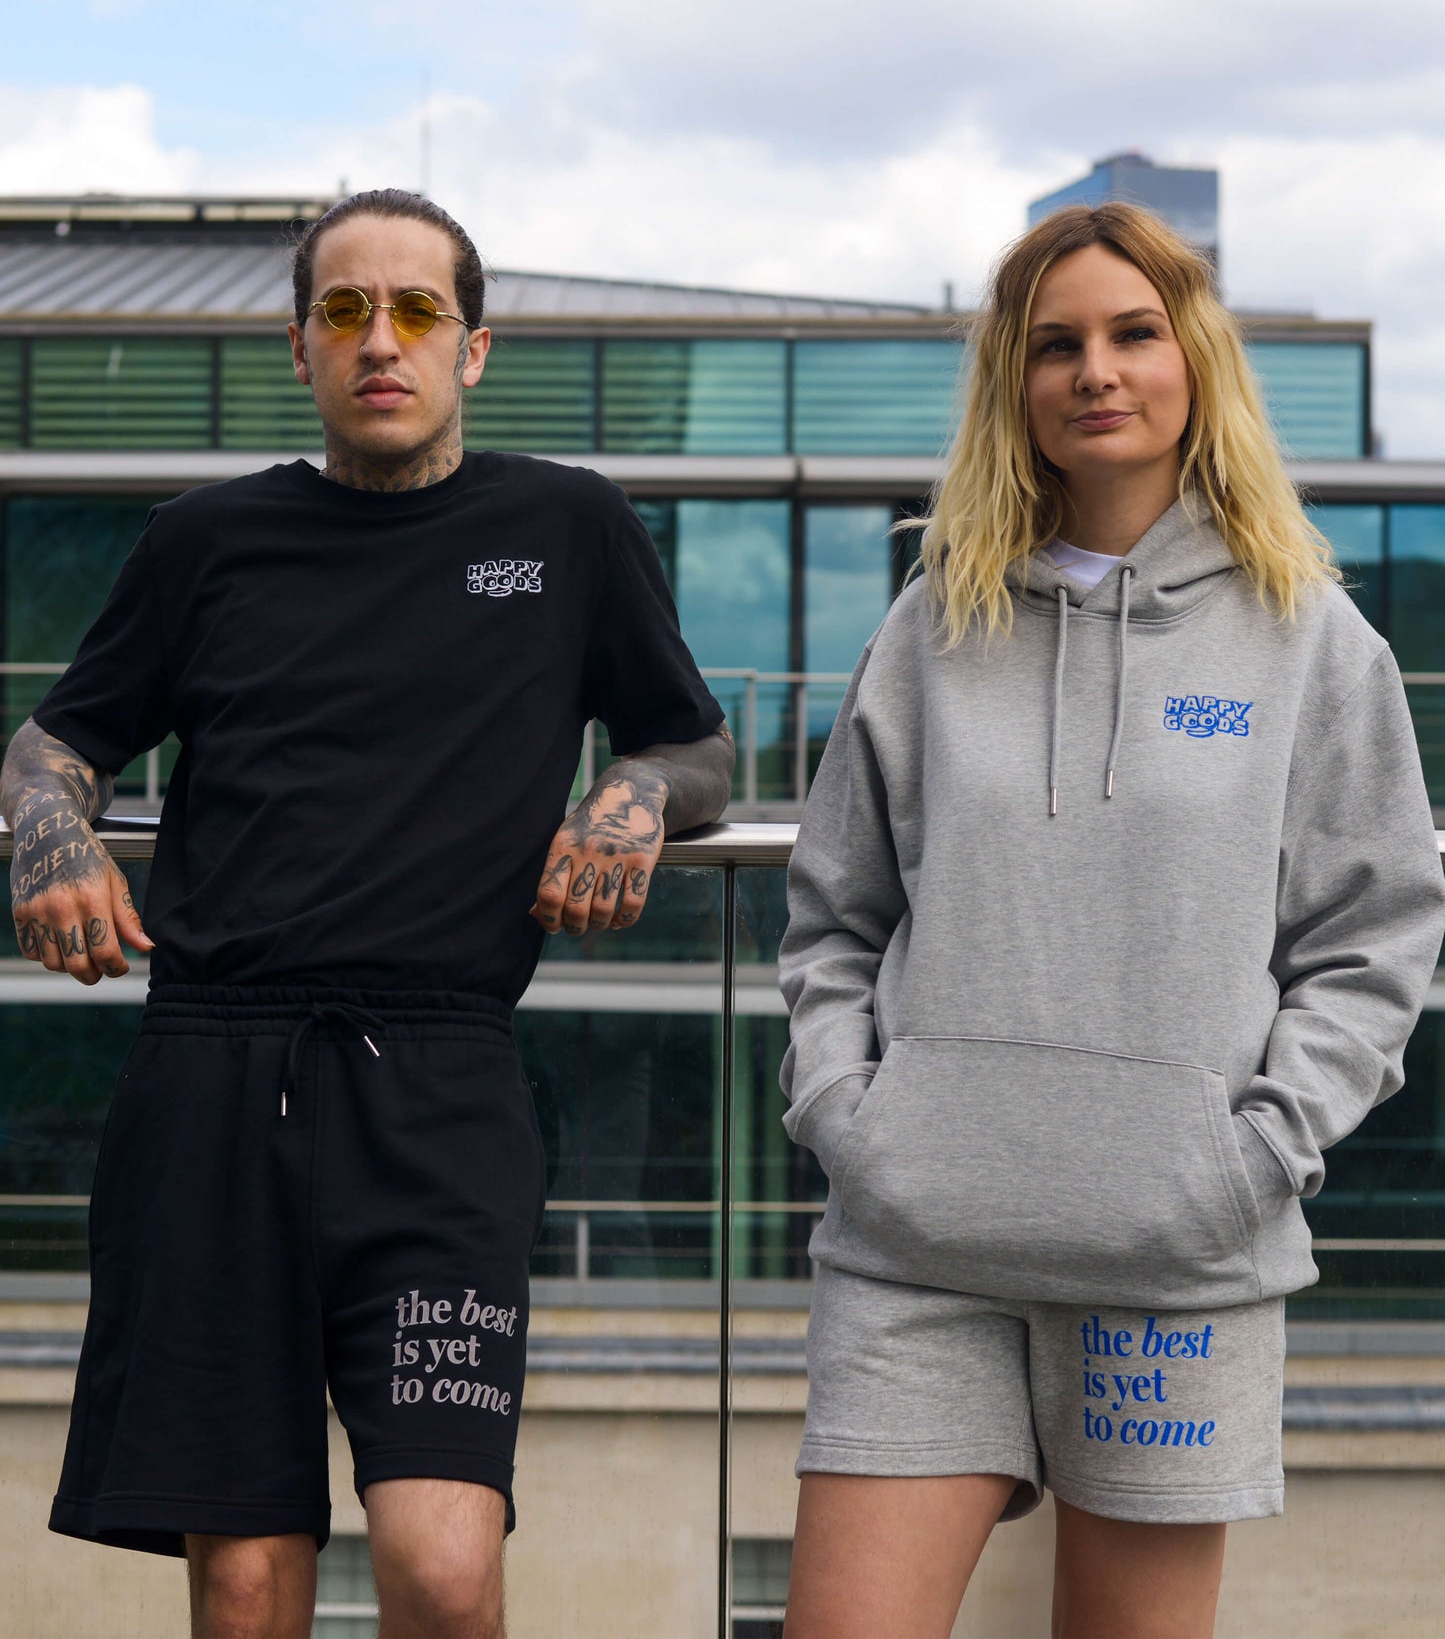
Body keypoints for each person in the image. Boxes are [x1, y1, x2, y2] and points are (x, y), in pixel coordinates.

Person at [2, 188, 733, 1639]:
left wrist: (631, 799)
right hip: (212, 1078)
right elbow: (54, 741)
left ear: (471, 349)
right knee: (247, 1580)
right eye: (344, 311)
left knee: (443, 1565)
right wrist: (54, 836)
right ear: (298, 348)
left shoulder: (566, 525)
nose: (377, 340)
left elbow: (695, 742)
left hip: (440, 1091)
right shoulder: (205, 542)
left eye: (415, 312)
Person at [776, 202, 1445, 1639]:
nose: (1096, 371)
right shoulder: (931, 623)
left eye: (1132, 334)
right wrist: (847, 1109)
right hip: (915, 1251)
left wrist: (1252, 1156)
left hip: (1175, 1265)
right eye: (1055, 344)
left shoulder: (1309, 639)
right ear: (1012, 385)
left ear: (1191, 358)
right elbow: (833, 913)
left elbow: (1374, 935)